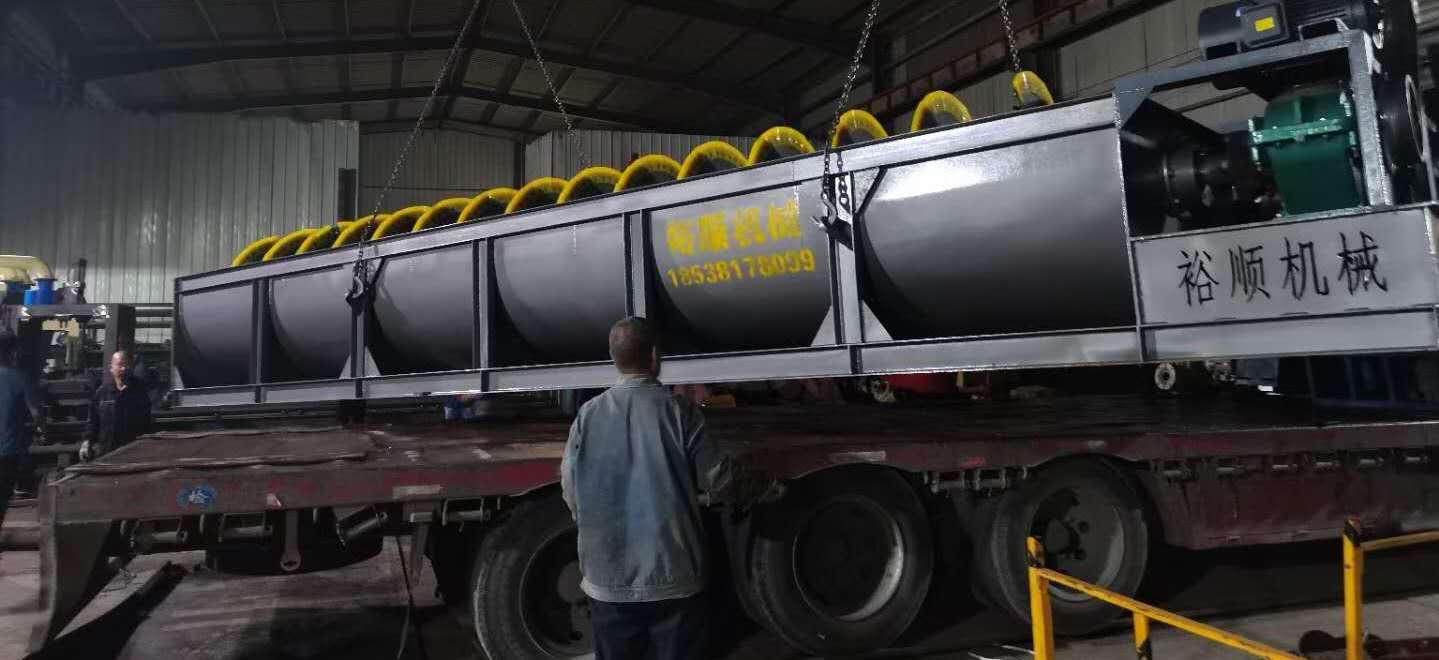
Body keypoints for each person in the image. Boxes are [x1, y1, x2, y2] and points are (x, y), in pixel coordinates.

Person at [560, 317, 734, 660]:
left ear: (613, 358)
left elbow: (570, 486)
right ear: (654, 356)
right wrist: (764, 487)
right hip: (674, 575)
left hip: (608, 578)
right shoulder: (680, 413)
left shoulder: (587, 415)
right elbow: (719, 479)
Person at [0, 334, 41, 533]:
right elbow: (36, 414)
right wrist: (41, 429)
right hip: (7, 451)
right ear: (13, 352)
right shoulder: (20, 377)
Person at [80, 350, 151, 461]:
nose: (124, 369)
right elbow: (93, 420)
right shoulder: (102, 393)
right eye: (120, 365)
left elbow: (146, 422)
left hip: (133, 452)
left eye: (127, 365)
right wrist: (86, 442)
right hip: (107, 451)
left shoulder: (140, 392)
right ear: (111, 368)